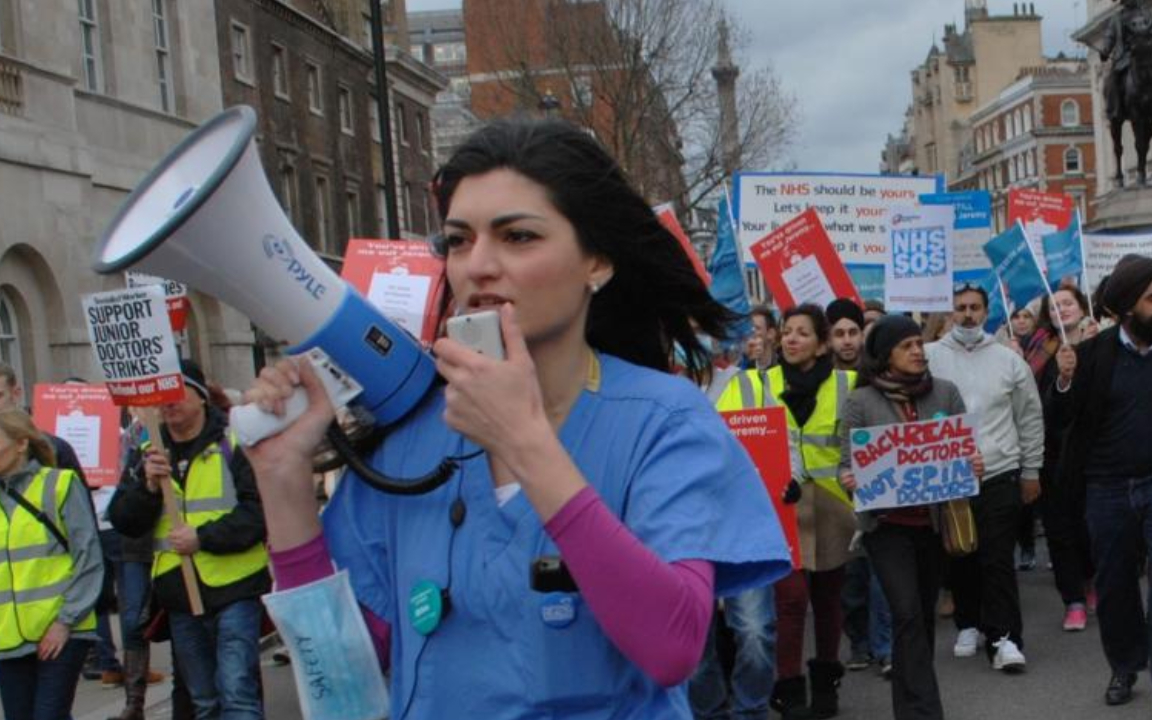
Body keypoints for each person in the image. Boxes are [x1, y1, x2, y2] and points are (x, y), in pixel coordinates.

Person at [245, 119, 791, 719]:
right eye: (458, 240)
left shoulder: (664, 421)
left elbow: (673, 648)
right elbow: (343, 688)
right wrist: (282, 480)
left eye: (518, 237)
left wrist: (526, 444)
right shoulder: (411, 434)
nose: (477, 265)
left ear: (597, 263)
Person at [838, 316, 982, 720]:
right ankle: (927, 712)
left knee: (918, 620)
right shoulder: (859, 402)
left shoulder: (945, 393)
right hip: (887, 530)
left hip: (933, 528)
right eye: (907, 346)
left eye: (919, 343)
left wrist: (972, 464)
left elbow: (963, 451)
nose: (919, 351)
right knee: (906, 613)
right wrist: (849, 477)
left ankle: (908, 708)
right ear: (885, 356)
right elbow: (846, 463)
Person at [109, 360, 270, 720]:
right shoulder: (147, 451)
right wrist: (148, 487)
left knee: (237, 691)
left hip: (235, 587)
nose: (169, 402)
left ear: (200, 397)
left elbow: (258, 514)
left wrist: (203, 538)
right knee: (203, 701)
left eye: (177, 391)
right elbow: (124, 521)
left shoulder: (234, 441)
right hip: (179, 594)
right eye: (161, 396)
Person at [718, 304, 856, 719]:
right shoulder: (750, 384)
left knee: (830, 601)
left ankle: (827, 683)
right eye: (787, 332)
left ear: (821, 342)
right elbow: (722, 436)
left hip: (834, 507)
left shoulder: (849, 383)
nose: (792, 339)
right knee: (791, 599)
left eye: (803, 333)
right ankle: (789, 688)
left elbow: (870, 436)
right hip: (780, 509)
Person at [1048, 254, 1152, 706]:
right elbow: (1062, 418)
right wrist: (1064, 380)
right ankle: (1124, 667)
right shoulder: (1092, 354)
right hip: (1106, 489)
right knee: (1115, 585)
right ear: (1129, 307)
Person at [925, 283, 1044, 673]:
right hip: (951, 476)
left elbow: (1029, 417)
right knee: (960, 554)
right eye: (960, 308)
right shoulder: (929, 358)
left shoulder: (1009, 361)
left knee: (997, 558)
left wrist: (1030, 471)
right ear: (950, 313)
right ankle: (968, 624)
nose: (968, 314)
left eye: (975, 307)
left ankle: (1005, 638)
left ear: (987, 311)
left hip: (999, 472)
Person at [0, 407, 103, 720]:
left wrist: (64, 622)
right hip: (8, 639)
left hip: (61, 631)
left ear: (21, 443)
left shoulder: (59, 484)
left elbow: (89, 559)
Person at [1030, 287, 1098, 631]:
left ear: (1081, 306)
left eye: (1068, 302)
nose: (1062, 309)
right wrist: (1062, 378)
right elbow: (1039, 403)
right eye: (1054, 305)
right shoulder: (1041, 351)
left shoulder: (1103, 340)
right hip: (1054, 454)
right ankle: (1072, 599)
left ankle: (1090, 579)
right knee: (1059, 529)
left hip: (1096, 453)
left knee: (1090, 527)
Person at [826, 299, 864, 371]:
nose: (847, 341)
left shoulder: (878, 375)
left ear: (862, 336)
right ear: (829, 339)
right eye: (839, 334)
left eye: (853, 333)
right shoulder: (816, 378)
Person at [744, 305, 779, 371]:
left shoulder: (784, 364)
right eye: (750, 328)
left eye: (757, 328)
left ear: (770, 333)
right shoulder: (745, 366)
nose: (752, 332)